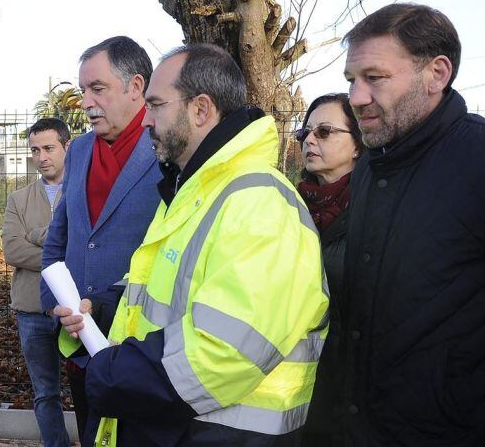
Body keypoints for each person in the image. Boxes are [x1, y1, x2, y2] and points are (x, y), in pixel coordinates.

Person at [57, 43, 328, 446]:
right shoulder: (194, 192)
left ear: (200, 110)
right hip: (177, 425)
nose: (145, 120)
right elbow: (165, 293)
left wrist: (113, 374)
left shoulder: (257, 201)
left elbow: (226, 348)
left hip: (221, 433)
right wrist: (105, 310)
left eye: (156, 105)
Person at [317, 3, 485, 445]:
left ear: (437, 73)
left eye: (376, 77)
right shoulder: (370, 168)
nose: (357, 97)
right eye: (352, 81)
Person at [40, 35, 163, 445]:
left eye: (97, 88)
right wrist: (54, 305)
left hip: (140, 351)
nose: (86, 102)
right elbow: (59, 240)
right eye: (81, 91)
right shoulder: (78, 152)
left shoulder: (167, 149)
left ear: (135, 86)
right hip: (79, 346)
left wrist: (111, 303)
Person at [293, 93, 363, 446]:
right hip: (292, 379)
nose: (309, 140)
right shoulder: (287, 204)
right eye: (304, 133)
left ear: (356, 146)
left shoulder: (373, 208)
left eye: (324, 131)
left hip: (351, 383)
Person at [2, 117, 71, 446]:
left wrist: (38, 236)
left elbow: (87, 242)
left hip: (78, 309)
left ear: (66, 147)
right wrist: (61, 256)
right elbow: (13, 250)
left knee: (94, 386)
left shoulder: (84, 191)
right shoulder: (19, 199)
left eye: (48, 148)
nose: (41, 157)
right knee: (46, 393)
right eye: (34, 150)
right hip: (32, 309)